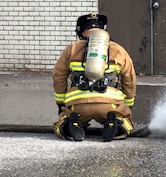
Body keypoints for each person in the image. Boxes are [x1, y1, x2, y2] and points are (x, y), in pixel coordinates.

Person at [52, 13, 137, 141]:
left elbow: (58, 75)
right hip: (109, 104)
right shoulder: (118, 50)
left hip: (78, 104)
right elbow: (129, 80)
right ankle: (116, 124)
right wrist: (127, 105)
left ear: (81, 32)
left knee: (63, 122)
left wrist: (61, 103)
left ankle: (70, 125)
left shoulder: (72, 49)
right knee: (125, 121)